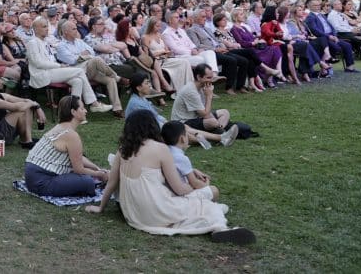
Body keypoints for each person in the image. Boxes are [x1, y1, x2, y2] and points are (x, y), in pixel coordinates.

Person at [85, 110, 255, 244]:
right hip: (158, 210)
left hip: (134, 214)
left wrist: (101, 207)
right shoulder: (160, 149)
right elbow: (180, 190)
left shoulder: (122, 150)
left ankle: (218, 224)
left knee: (207, 200)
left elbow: (112, 182)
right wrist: (195, 185)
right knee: (208, 197)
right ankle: (220, 228)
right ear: (153, 126)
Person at [24, 95, 109, 197]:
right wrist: (100, 175)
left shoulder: (60, 127)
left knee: (85, 175)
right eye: (82, 108)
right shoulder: (71, 135)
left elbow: (78, 157)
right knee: (87, 182)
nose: (86, 111)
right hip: (42, 182)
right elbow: (79, 170)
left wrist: (97, 169)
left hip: (32, 178)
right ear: (73, 112)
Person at [25, 16, 111, 113]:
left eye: (47, 26)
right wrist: (59, 66)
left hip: (52, 71)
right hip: (42, 74)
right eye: (44, 27)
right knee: (79, 71)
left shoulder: (45, 42)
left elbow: (51, 60)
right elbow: (38, 63)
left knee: (78, 81)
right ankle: (94, 103)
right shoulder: (32, 43)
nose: (47, 29)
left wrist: (60, 66)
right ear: (36, 29)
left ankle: (75, 109)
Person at [170, 64, 238, 146]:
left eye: (212, 77)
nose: (211, 81)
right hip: (184, 122)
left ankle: (221, 134)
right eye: (208, 78)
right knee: (212, 122)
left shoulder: (202, 87)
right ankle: (222, 136)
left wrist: (216, 122)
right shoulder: (191, 91)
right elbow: (205, 115)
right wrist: (209, 96)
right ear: (199, 77)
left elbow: (205, 111)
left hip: (196, 117)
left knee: (224, 112)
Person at [0, 70, 43, 149]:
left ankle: (26, 139)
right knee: (21, 110)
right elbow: (16, 107)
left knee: (26, 106)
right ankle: (27, 142)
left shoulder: (1, 95)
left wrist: (37, 107)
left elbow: (25, 100)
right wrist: (33, 104)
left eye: (0, 79)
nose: (1, 82)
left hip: (4, 133)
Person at [161, 121, 219, 200]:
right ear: (182, 139)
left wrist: (193, 170)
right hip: (180, 195)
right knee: (214, 190)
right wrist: (206, 183)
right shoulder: (181, 158)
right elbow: (195, 183)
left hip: (166, 191)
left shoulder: (164, 152)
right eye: (187, 135)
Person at [304, 0, 359, 72]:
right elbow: (315, 30)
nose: (318, 7)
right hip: (322, 38)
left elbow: (331, 26)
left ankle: (350, 67)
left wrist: (334, 35)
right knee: (336, 47)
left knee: (347, 45)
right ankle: (326, 65)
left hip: (331, 36)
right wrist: (328, 36)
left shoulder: (322, 15)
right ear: (309, 6)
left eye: (319, 5)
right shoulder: (310, 17)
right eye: (315, 5)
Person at [141, 18, 194, 90]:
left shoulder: (159, 35)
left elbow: (166, 49)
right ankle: (179, 88)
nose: (159, 28)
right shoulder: (145, 37)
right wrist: (161, 52)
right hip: (156, 61)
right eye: (157, 26)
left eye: (160, 26)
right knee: (183, 63)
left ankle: (187, 87)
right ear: (151, 26)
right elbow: (147, 56)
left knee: (185, 62)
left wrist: (168, 53)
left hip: (166, 59)